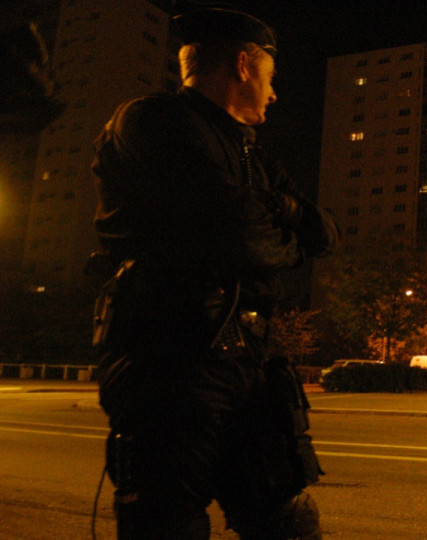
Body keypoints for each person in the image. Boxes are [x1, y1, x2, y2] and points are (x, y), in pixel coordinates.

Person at [87, 6, 338, 539]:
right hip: (171, 352)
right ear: (244, 66)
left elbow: (324, 232)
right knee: (166, 520)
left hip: (249, 356)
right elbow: (236, 234)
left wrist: (276, 215)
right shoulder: (152, 122)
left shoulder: (252, 152)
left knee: (287, 517)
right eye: (270, 78)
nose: (274, 94)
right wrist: (279, 227)